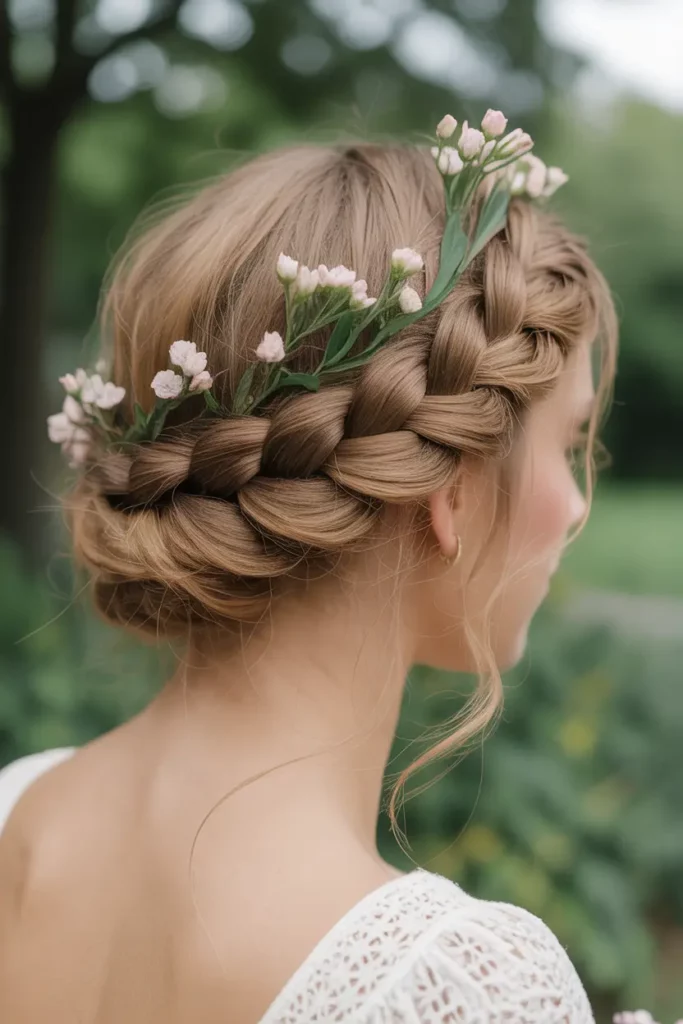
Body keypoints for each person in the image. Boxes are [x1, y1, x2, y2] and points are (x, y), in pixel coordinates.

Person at [0, 112, 617, 1023]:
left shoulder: (14, 813)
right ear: (447, 485)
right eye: (567, 446)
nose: (574, 507)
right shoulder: (455, 983)